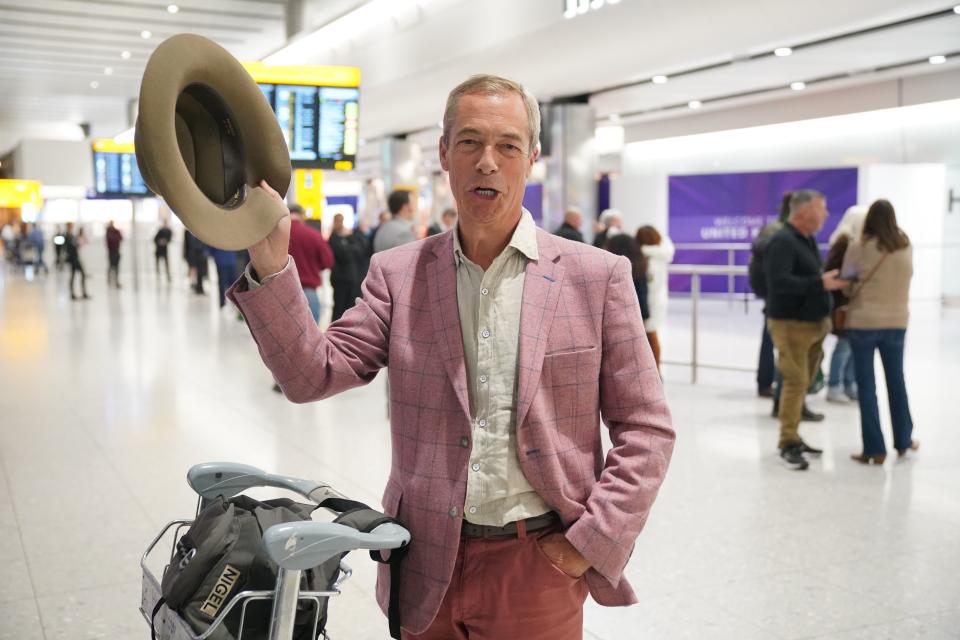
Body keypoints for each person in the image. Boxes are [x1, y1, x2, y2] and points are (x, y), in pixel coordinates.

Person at [229, 74, 675, 639]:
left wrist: (591, 542)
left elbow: (647, 428)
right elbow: (309, 376)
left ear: (532, 157)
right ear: (444, 153)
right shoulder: (399, 275)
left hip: (537, 568)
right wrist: (272, 265)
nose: (487, 161)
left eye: (507, 145)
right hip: (424, 564)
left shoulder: (596, 277)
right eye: (469, 142)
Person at [764, 190, 846, 471]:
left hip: (811, 324)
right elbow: (779, 282)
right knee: (795, 382)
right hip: (791, 324)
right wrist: (819, 284)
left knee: (804, 383)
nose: (825, 214)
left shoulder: (805, 239)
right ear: (803, 212)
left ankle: (795, 436)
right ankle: (787, 442)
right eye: (821, 208)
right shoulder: (782, 241)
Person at [841, 199, 916, 465]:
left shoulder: (859, 247)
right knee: (897, 381)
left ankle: (874, 449)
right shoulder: (905, 246)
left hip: (863, 322)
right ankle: (904, 440)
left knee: (867, 386)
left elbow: (847, 281)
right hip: (897, 322)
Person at [750, 192, 791, 397]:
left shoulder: (776, 230)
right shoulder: (780, 232)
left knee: (773, 339)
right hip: (777, 293)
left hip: (775, 292)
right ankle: (767, 381)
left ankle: (769, 381)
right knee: (773, 339)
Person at [824, 205, 867, 403]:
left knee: (853, 346)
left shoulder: (858, 243)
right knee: (844, 347)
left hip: (854, 303)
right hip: (843, 303)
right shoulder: (843, 243)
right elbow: (833, 271)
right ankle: (834, 385)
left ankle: (849, 384)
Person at [287, 203, 334, 325]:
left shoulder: (277, 235)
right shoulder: (313, 234)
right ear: (302, 216)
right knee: (312, 340)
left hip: (283, 292)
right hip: (309, 293)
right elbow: (328, 261)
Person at [636, 224, 674, 370]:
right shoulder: (661, 254)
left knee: (650, 338)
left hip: (647, 303)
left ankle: (655, 373)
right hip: (657, 300)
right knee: (651, 337)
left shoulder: (648, 261)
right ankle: (655, 372)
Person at [328, 213, 368, 322]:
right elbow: (345, 255)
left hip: (351, 278)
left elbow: (359, 252)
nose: (340, 223)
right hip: (340, 278)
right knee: (339, 307)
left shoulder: (349, 237)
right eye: (338, 220)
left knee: (350, 307)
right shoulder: (334, 239)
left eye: (341, 220)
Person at [604, 234, 649, 321]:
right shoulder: (640, 266)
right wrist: (644, 315)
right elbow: (642, 293)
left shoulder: (610, 268)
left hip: (615, 316)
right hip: (636, 315)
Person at [64, 222, 90, 300]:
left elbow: (75, 245)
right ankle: (76, 293)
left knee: (75, 275)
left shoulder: (72, 235)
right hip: (73, 259)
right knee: (79, 275)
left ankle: (80, 293)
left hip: (75, 258)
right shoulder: (67, 236)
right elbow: (70, 247)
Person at [105, 220, 123, 289]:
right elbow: (111, 240)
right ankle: (109, 281)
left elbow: (120, 238)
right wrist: (116, 238)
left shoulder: (116, 231)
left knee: (117, 267)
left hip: (117, 251)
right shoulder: (108, 232)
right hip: (111, 252)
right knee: (111, 267)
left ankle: (116, 281)